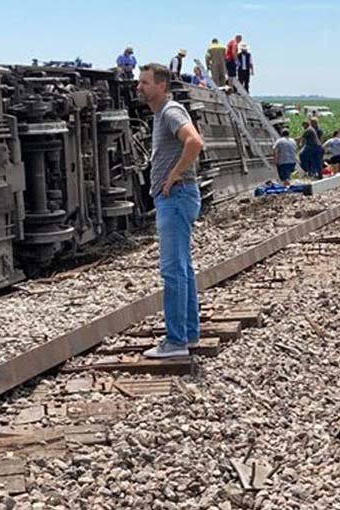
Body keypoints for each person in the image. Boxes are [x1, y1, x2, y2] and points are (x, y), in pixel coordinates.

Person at [136, 64, 204, 358]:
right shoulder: (161, 114)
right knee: (183, 268)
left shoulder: (169, 112)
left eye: (145, 83)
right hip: (178, 197)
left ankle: (175, 342)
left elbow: (194, 142)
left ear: (161, 86)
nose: (139, 87)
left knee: (172, 270)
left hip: (175, 197)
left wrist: (175, 174)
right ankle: (188, 335)